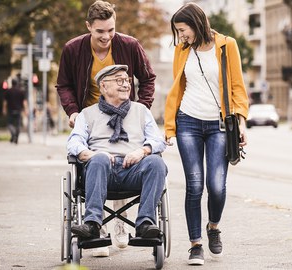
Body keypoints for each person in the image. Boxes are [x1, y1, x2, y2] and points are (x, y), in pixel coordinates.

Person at [56, 0, 157, 256]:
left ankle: (122, 225)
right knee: (101, 159)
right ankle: (96, 225)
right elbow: (64, 84)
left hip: (125, 111)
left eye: (111, 30)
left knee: (129, 156)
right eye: (100, 31)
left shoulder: (129, 46)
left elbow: (147, 78)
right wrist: (74, 112)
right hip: (91, 116)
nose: (106, 36)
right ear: (88, 26)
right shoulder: (73, 49)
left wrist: (138, 110)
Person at [164, 2, 249, 266]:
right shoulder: (182, 50)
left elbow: (237, 86)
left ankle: (213, 226)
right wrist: (169, 127)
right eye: (178, 32)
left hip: (219, 125)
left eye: (183, 29)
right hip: (188, 121)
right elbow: (178, 87)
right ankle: (195, 245)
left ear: (196, 23)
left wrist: (242, 121)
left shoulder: (227, 46)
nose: (181, 36)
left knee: (216, 185)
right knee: (194, 185)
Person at [68, 64, 167, 247]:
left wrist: (142, 151)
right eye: (119, 80)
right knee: (99, 159)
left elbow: (158, 140)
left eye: (127, 80)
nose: (126, 85)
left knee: (156, 163)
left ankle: (145, 224)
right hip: (101, 172)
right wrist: (91, 154)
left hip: (134, 171)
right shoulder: (87, 114)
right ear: (104, 86)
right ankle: (92, 224)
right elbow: (74, 142)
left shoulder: (141, 110)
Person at [3, 78, 28, 144]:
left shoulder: (8, 91)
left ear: (12, 83)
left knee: (9, 124)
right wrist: (25, 110)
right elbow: (24, 102)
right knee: (18, 125)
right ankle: (16, 136)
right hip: (18, 110)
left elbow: (5, 102)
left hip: (10, 110)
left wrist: (4, 110)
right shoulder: (21, 92)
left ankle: (13, 134)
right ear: (17, 83)